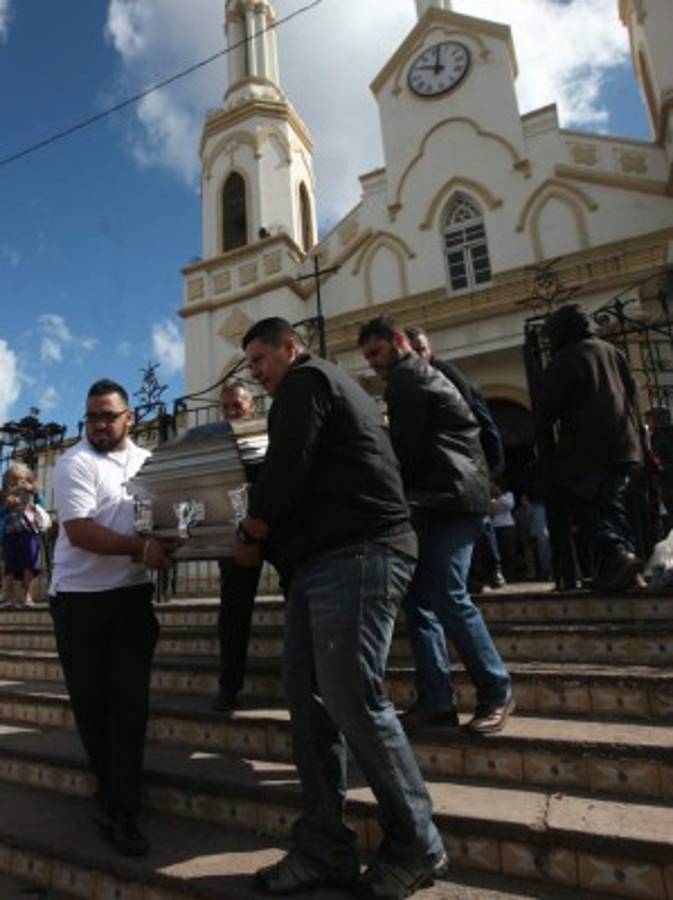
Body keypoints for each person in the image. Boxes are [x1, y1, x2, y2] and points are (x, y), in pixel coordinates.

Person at [234, 318, 448, 899]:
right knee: (308, 700)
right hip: (322, 560)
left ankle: (418, 842)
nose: (255, 371)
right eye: (249, 363)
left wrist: (252, 527)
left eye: (261, 358)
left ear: (290, 348)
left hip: (357, 552)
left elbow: (287, 467)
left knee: (353, 697)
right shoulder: (315, 386)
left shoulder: (306, 382)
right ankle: (325, 846)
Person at [358, 316, 513, 735]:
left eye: (375, 352)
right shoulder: (416, 376)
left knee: (447, 594)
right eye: (367, 356)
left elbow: (404, 451)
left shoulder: (408, 378)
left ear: (398, 341)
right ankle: (437, 700)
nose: (372, 363)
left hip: (452, 500)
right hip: (438, 500)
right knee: (419, 601)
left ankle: (496, 690)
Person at [50, 379, 173, 857]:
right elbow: (79, 532)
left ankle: (121, 809)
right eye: (92, 417)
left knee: (130, 704)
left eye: (108, 416)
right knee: (93, 705)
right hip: (79, 602)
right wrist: (142, 548)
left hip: (131, 598)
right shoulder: (74, 463)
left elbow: (161, 516)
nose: (99, 425)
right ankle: (113, 789)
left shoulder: (147, 462)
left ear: (130, 418)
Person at [538, 305, 644, 591]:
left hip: (587, 450)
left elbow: (547, 408)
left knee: (589, 508)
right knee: (612, 506)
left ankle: (618, 555)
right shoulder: (612, 352)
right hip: (625, 446)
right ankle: (624, 565)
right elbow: (633, 396)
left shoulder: (567, 359)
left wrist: (544, 444)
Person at [404, 326, 506, 589]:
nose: (418, 355)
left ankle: (491, 569)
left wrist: (493, 464)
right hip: (455, 464)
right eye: (413, 350)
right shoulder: (416, 379)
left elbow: (477, 419)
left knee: (477, 517)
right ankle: (479, 572)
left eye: (422, 349)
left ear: (430, 349)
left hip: (468, 461)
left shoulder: (444, 374)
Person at [213, 379, 263, 713]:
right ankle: (229, 686)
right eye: (227, 407)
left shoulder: (269, 435)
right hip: (236, 535)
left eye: (238, 405)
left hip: (277, 530)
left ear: (252, 406)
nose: (232, 412)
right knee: (233, 612)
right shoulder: (216, 443)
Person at [1, 463, 45, 608]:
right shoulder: (4, 495)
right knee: (10, 567)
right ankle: (8, 598)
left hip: (29, 533)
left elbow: (42, 505)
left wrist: (34, 493)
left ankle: (27, 597)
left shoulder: (32, 492)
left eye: (22, 479)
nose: (18, 483)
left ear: (29, 479)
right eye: (14, 480)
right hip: (10, 534)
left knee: (29, 564)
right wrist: (6, 506)